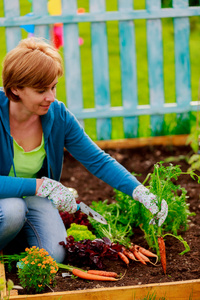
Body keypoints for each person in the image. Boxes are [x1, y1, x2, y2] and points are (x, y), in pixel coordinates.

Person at [0, 37, 168, 263]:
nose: (51, 97)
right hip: (8, 200)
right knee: (12, 211)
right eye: (41, 90)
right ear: (16, 89)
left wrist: (141, 193)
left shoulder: (57, 115)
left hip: (32, 197)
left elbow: (98, 160)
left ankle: (14, 238)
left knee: (54, 255)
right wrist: (41, 185)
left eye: (53, 87)